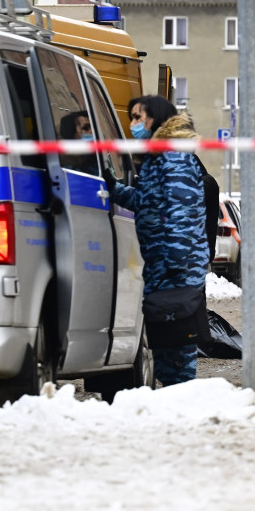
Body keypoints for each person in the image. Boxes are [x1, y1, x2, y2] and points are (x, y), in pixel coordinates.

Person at [109, 96, 210, 385]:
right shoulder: (157, 158)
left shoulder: (174, 156)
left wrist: (174, 264)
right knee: (165, 340)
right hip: (161, 264)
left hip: (175, 267)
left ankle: (180, 395)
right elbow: (145, 201)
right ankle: (172, 394)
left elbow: (181, 210)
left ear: (157, 118)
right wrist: (112, 187)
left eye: (139, 118)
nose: (133, 124)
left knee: (177, 343)